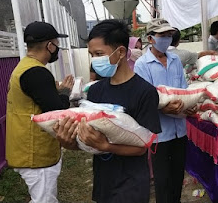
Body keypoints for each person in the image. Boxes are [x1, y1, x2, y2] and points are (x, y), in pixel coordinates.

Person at [58, 19, 162, 202]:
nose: (95, 60)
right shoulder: (96, 90)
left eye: (99, 53)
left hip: (131, 184)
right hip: (104, 180)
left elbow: (143, 147)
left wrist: (106, 146)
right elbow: (90, 139)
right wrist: (69, 143)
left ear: (121, 52)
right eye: (92, 54)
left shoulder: (145, 92)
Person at [6, 21, 76, 203]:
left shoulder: (24, 67)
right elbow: (56, 111)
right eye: (56, 44)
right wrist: (65, 93)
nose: (57, 49)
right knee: (44, 200)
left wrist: (56, 92)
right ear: (49, 46)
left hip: (24, 148)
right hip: (35, 153)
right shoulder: (37, 72)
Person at [134, 18, 197, 203]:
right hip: (159, 134)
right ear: (151, 38)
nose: (167, 39)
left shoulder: (175, 59)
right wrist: (164, 106)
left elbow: (183, 89)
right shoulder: (142, 64)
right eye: (162, 35)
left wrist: (189, 104)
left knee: (177, 177)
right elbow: (144, 99)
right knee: (162, 180)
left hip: (180, 130)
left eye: (169, 35)